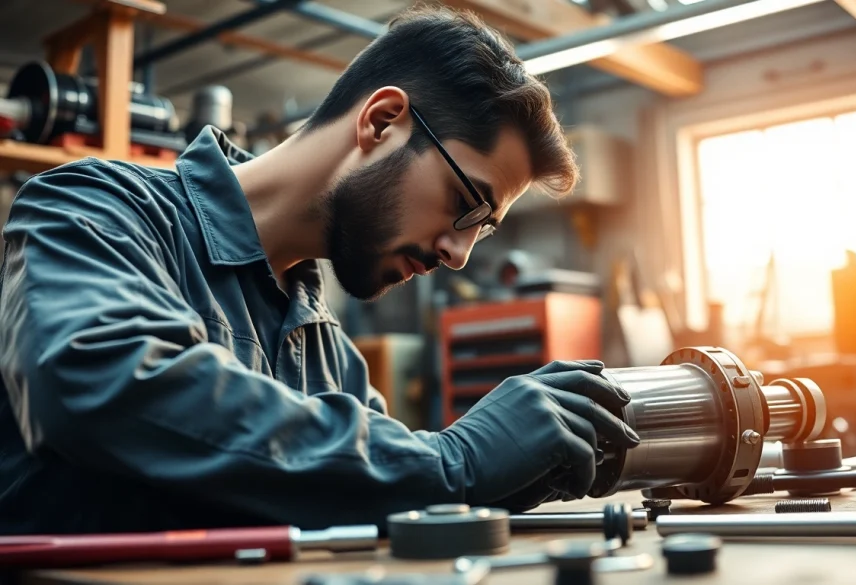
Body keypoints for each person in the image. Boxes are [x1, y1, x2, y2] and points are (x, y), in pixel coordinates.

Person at [0, 7, 640, 535]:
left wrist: (504, 476)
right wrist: (457, 461)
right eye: (464, 205)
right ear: (382, 122)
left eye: (482, 229)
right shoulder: (96, 209)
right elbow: (98, 382)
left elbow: (382, 494)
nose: (459, 254)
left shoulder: (325, 353)